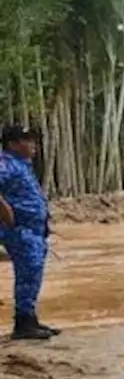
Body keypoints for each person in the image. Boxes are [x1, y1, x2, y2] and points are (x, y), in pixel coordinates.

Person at [0, 124, 58, 340]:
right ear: (13, 144)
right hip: (20, 230)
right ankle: (23, 324)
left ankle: (29, 319)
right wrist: (4, 209)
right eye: (27, 140)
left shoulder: (21, 165)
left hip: (32, 230)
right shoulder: (6, 163)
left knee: (32, 274)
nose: (33, 145)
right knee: (28, 273)